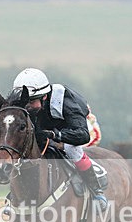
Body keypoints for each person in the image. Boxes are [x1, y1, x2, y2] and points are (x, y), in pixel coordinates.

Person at [11, 67, 108, 212]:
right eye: (24, 101)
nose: (27, 106)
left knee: (71, 149)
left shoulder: (65, 102)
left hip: (82, 127)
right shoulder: (31, 105)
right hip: (51, 126)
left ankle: (97, 192)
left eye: (31, 101)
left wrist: (55, 136)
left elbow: (82, 135)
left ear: (44, 97)